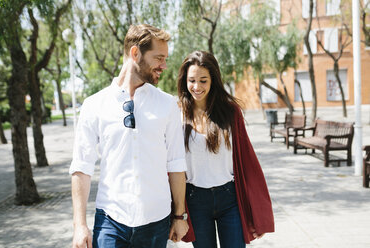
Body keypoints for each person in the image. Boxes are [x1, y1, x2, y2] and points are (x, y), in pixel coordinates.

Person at [70, 24, 189, 248]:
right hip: (110, 221)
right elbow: (81, 167)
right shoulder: (94, 105)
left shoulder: (167, 104)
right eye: (158, 58)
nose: (164, 65)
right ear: (135, 53)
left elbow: (176, 163)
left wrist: (179, 216)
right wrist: (79, 225)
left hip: (156, 220)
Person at [177, 51, 274, 247]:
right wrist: (177, 214)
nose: (197, 87)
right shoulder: (177, 112)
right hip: (196, 201)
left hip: (230, 199)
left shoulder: (230, 111)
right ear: (184, 81)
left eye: (203, 80)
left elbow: (246, 159)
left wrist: (258, 213)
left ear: (213, 80)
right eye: (192, 80)